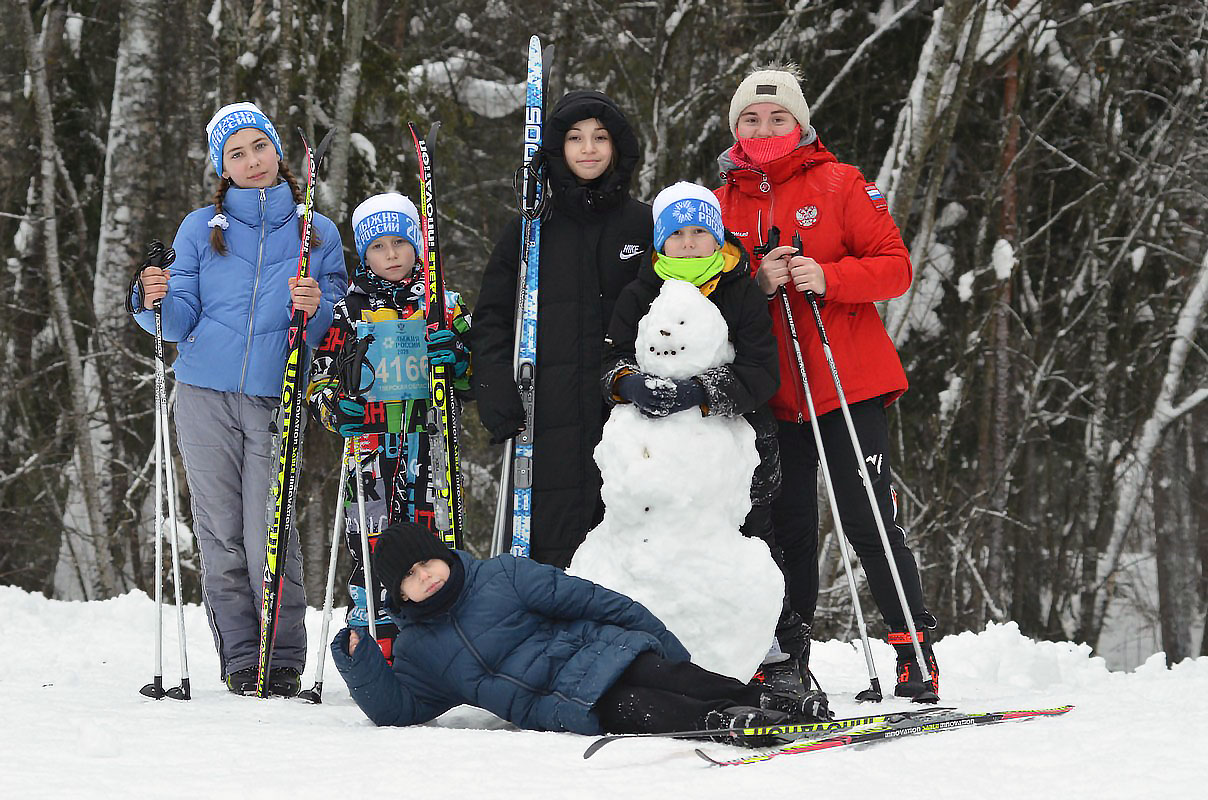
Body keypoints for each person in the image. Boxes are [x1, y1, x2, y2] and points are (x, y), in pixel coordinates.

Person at [713, 67, 941, 699]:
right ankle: (790, 659)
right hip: (771, 395)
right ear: (735, 128)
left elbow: (895, 268)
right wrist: (756, 283)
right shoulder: (720, 201)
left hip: (847, 386)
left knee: (868, 519)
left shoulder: (840, 182)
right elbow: (701, 286)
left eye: (777, 117)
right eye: (750, 119)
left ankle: (914, 652)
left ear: (800, 124)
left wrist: (830, 277)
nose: (764, 128)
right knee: (787, 530)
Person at [129, 102, 348, 696]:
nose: (252, 160)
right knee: (221, 532)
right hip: (203, 393)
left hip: (275, 396)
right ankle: (242, 656)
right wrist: (150, 298)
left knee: (269, 533)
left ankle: (282, 656)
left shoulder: (317, 232)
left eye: (260, 146)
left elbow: (334, 325)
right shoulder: (201, 228)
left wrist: (317, 308)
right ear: (221, 167)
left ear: (277, 150)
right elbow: (175, 321)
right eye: (236, 153)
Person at [330, 521, 829, 745]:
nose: (425, 577)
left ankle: (769, 701)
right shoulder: (419, 650)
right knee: (641, 710)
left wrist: (668, 647)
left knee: (671, 677)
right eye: (410, 577)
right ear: (400, 595)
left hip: (603, 653)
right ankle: (726, 723)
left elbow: (595, 601)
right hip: (564, 704)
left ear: (441, 554)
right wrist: (360, 663)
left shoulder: (501, 576)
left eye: (427, 563)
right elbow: (400, 710)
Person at [601, 181, 814, 696]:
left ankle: (780, 657)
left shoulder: (740, 290)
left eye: (700, 232)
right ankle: (669, 653)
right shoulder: (639, 292)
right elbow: (609, 358)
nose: (689, 243)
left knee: (750, 550)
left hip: (737, 451)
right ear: (661, 242)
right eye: (677, 235)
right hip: (659, 454)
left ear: (717, 237)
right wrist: (629, 383)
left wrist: (701, 391)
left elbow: (762, 371)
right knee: (662, 549)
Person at [472, 90, 652, 567]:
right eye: (575, 138)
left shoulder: (647, 225)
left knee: (628, 554)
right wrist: (494, 389)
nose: (588, 148)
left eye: (600, 137)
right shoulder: (530, 230)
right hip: (544, 420)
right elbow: (491, 318)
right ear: (558, 148)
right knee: (551, 555)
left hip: (627, 417)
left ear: (618, 146)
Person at [306, 192, 470, 662]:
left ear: (417, 244)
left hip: (429, 443)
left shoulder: (444, 304)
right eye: (378, 246)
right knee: (372, 545)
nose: (392, 254)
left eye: (400, 242)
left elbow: (478, 374)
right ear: (364, 254)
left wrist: (458, 359)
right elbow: (319, 381)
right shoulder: (347, 311)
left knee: (432, 542)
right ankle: (373, 636)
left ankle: (440, 640)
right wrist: (336, 408)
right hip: (371, 450)